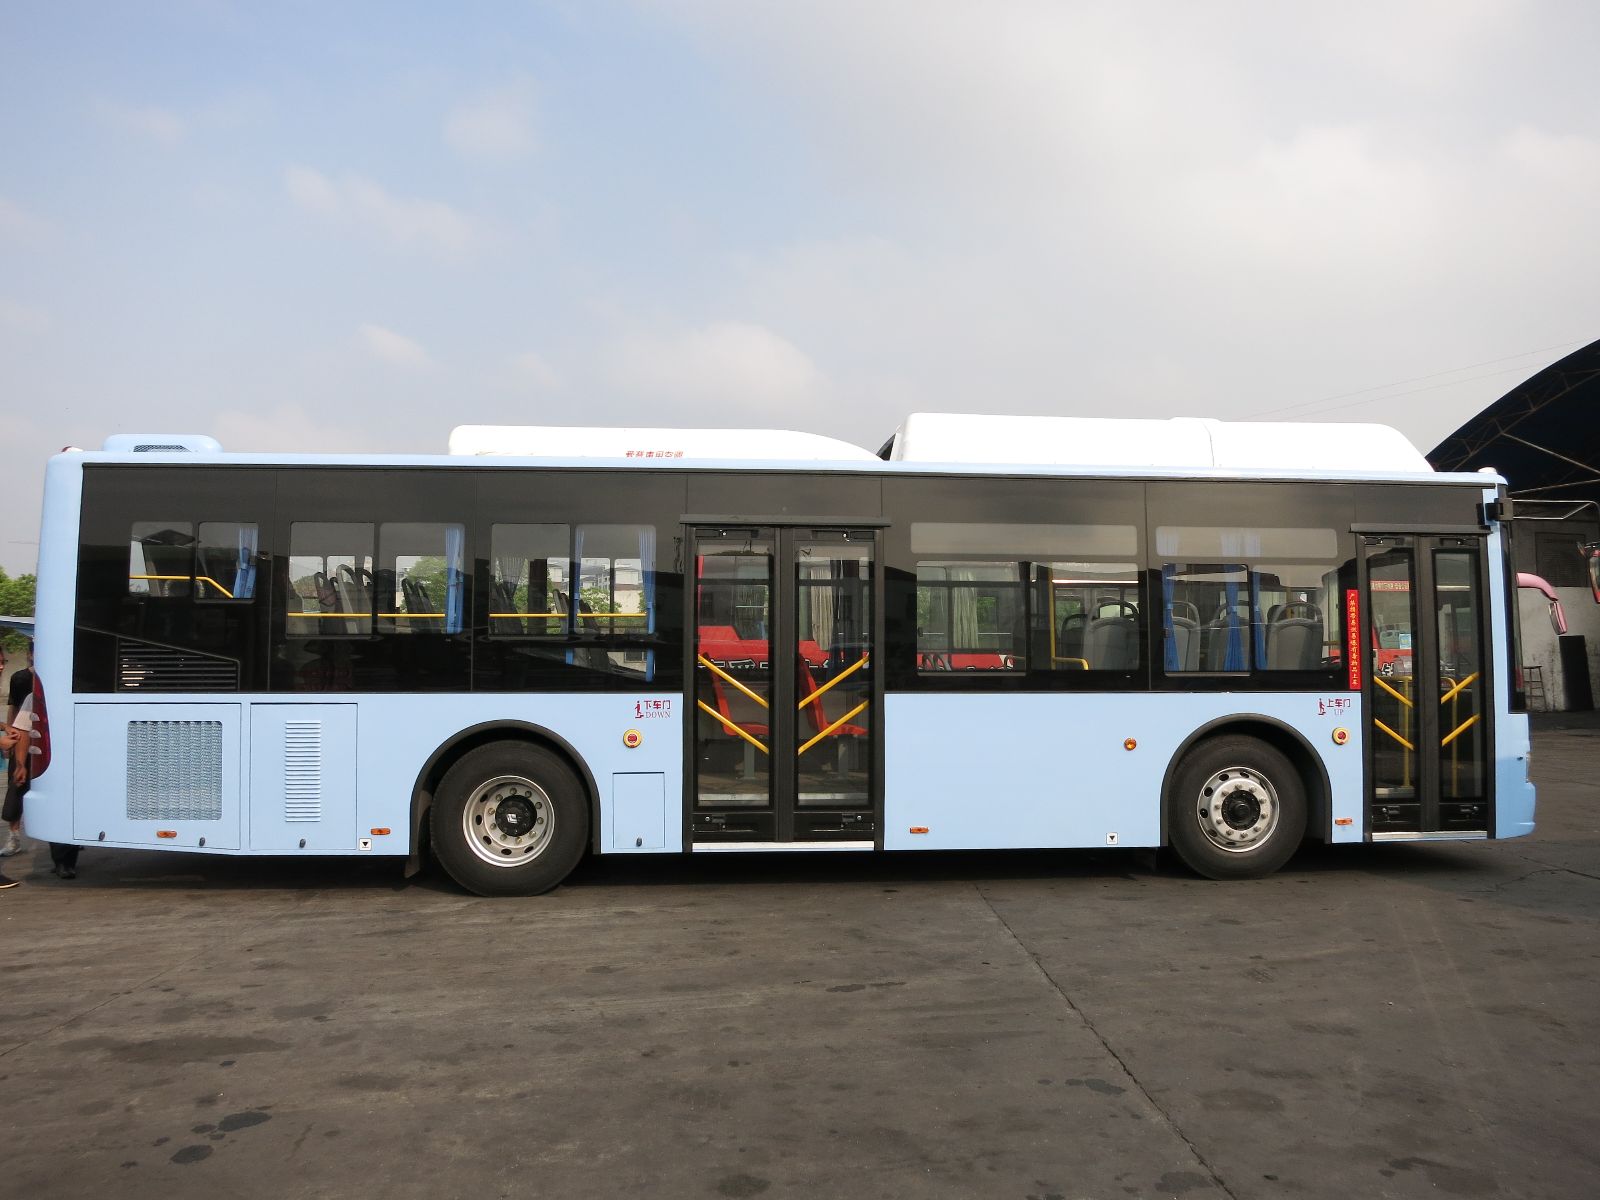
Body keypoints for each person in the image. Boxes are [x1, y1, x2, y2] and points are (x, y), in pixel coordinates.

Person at [1, 640, 27, 860]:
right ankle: (13, 836)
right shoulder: (20, 679)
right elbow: (14, 708)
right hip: (20, 743)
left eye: (3, 662)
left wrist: (4, 728)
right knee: (15, 789)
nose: (1, 667)